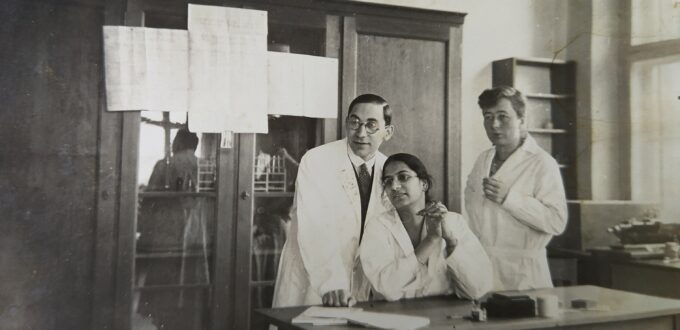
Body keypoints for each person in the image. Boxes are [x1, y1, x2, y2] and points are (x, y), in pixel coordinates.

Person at [272, 94, 395, 307]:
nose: (361, 132)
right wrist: (332, 282)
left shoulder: (390, 170)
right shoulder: (317, 160)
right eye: (354, 122)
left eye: (371, 125)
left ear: (388, 132)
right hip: (314, 276)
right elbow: (315, 226)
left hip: (359, 283)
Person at [464, 86, 568, 291]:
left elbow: (557, 221)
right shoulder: (483, 160)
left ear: (522, 119)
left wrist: (510, 199)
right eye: (488, 116)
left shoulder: (542, 163)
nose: (494, 124)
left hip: (524, 276)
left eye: (503, 116)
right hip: (484, 271)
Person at [360, 153, 492, 301]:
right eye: (388, 181)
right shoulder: (378, 227)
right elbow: (385, 289)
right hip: (395, 317)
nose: (394, 186)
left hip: (448, 318)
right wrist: (431, 240)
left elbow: (478, 289)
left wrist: (451, 242)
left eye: (403, 177)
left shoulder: (454, 222)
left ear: (424, 184)